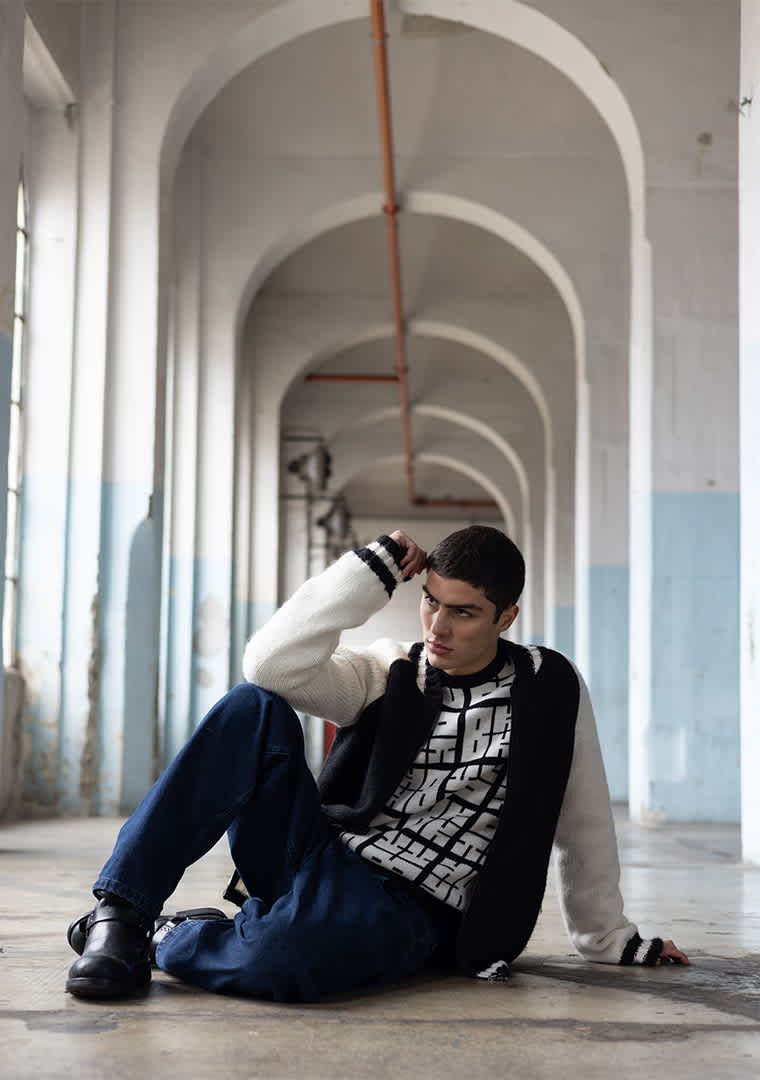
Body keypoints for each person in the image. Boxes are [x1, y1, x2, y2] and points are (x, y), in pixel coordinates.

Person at [65, 526, 688, 1001]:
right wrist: (370, 571)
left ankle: (170, 936)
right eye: (431, 602)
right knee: (251, 707)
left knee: (285, 962)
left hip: (415, 906)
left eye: (464, 612)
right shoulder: (391, 668)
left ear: (507, 616)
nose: (438, 627)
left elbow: (583, 813)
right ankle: (121, 914)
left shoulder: (549, 687)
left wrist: (608, 937)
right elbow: (270, 666)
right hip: (321, 855)